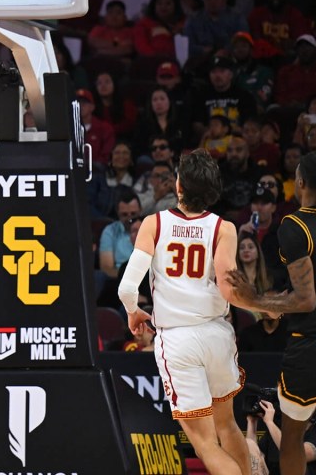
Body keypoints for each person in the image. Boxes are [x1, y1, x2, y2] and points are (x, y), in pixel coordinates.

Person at [117, 149, 250, 475]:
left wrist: (133, 312)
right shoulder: (224, 228)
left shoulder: (154, 224)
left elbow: (126, 288)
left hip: (179, 340)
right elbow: (229, 289)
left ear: (179, 186)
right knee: (228, 425)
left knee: (205, 443)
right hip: (217, 333)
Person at [227, 151, 316, 475]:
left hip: (314, 341)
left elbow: (305, 300)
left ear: (300, 183)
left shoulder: (295, 225)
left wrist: (255, 299)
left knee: (292, 438)